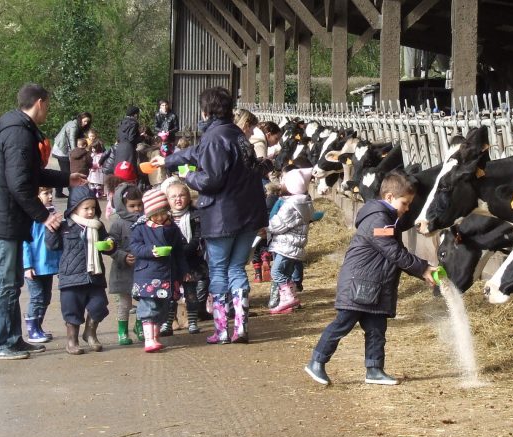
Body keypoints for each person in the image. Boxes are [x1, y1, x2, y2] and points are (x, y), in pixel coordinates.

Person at [150, 86, 266, 345]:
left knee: (219, 270)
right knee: (237, 268)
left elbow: (210, 179)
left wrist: (186, 175)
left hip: (223, 215)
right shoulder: (235, 134)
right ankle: (241, 327)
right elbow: (197, 152)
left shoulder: (214, 138)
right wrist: (168, 160)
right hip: (248, 214)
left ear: (206, 111)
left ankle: (223, 329)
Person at [304, 173, 436, 386]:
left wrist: (424, 271)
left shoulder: (387, 219)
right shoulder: (378, 219)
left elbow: (396, 253)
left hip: (373, 285)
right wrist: (422, 268)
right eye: (405, 203)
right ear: (390, 197)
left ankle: (374, 369)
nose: (407, 208)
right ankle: (316, 362)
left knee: (376, 328)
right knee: (342, 324)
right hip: (359, 284)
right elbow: (393, 252)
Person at [0, 83, 85, 360]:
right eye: (48, 104)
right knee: (7, 285)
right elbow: (21, 184)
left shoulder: (16, 130)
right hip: (6, 220)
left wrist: (64, 179)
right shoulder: (18, 135)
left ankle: (14, 338)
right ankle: (4, 342)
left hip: (9, 218)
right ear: (40, 102)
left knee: (11, 284)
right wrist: (44, 215)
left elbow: (31, 174)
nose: (48, 110)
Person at [46, 185, 116, 355]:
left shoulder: (97, 226)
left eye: (93, 207)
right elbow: (52, 245)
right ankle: (72, 341)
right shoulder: (65, 226)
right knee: (72, 310)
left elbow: (107, 245)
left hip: (94, 275)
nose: (91, 211)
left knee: (99, 305)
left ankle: (90, 333)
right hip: (71, 276)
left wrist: (110, 243)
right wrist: (52, 230)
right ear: (74, 208)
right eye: (86, 208)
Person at [129, 189, 187, 353]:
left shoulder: (173, 228)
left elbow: (178, 251)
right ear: (148, 214)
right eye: (156, 215)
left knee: (163, 307)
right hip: (147, 275)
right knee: (149, 306)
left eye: (163, 213)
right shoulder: (140, 228)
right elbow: (134, 246)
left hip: (167, 275)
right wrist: (150, 251)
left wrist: (183, 270)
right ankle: (149, 339)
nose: (160, 218)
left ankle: (155, 337)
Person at [160, 179, 206, 336]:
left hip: (191, 260)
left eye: (181, 195)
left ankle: (192, 321)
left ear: (188, 197)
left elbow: (198, 236)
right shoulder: (164, 218)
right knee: (170, 294)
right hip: (171, 262)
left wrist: (185, 250)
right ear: (167, 199)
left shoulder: (195, 215)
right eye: (173, 197)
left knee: (191, 293)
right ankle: (169, 322)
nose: (178, 199)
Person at [268, 168, 314, 315]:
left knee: (276, 272)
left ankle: (288, 298)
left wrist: (265, 227)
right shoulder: (304, 203)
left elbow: (278, 225)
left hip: (285, 246)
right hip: (294, 246)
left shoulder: (290, 206)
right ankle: (289, 301)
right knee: (286, 274)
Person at [22, 187, 61, 343]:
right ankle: (32, 330)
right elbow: (25, 243)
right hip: (34, 266)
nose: (50, 196)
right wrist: (27, 265)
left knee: (46, 298)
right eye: (46, 193)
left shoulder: (52, 213)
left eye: (51, 193)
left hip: (48, 264)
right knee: (37, 298)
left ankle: (38, 327)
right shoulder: (31, 217)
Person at [107, 183, 144, 345]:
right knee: (124, 303)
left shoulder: (145, 221)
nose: (136, 209)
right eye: (132, 206)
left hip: (142, 268)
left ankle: (140, 326)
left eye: (139, 205)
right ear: (123, 206)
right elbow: (110, 246)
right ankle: (122, 331)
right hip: (123, 270)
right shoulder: (118, 223)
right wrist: (121, 256)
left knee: (144, 300)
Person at [51, 111, 92, 197]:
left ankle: (59, 192)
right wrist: (75, 154)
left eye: (88, 121)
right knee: (67, 172)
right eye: (85, 121)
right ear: (80, 119)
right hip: (62, 150)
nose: (86, 123)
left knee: (64, 172)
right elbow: (72, 140)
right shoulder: (73, 126)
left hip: (65, 150)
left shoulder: (78, 125)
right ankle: (73, 193)